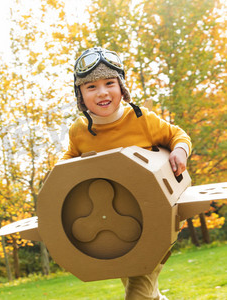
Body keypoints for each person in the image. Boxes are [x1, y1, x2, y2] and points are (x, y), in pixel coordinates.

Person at [63, 47, 192, 300]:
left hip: (156, 219)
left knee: (137, 292)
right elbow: (69, 160)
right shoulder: (79, 131)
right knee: (143, 290)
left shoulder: (141, 119)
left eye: (109, 83)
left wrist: (180, 150)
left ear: (121, 86)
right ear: (80, 94)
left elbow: (177, 134)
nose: (102, 92)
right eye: (91, 87)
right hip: (113, 225)